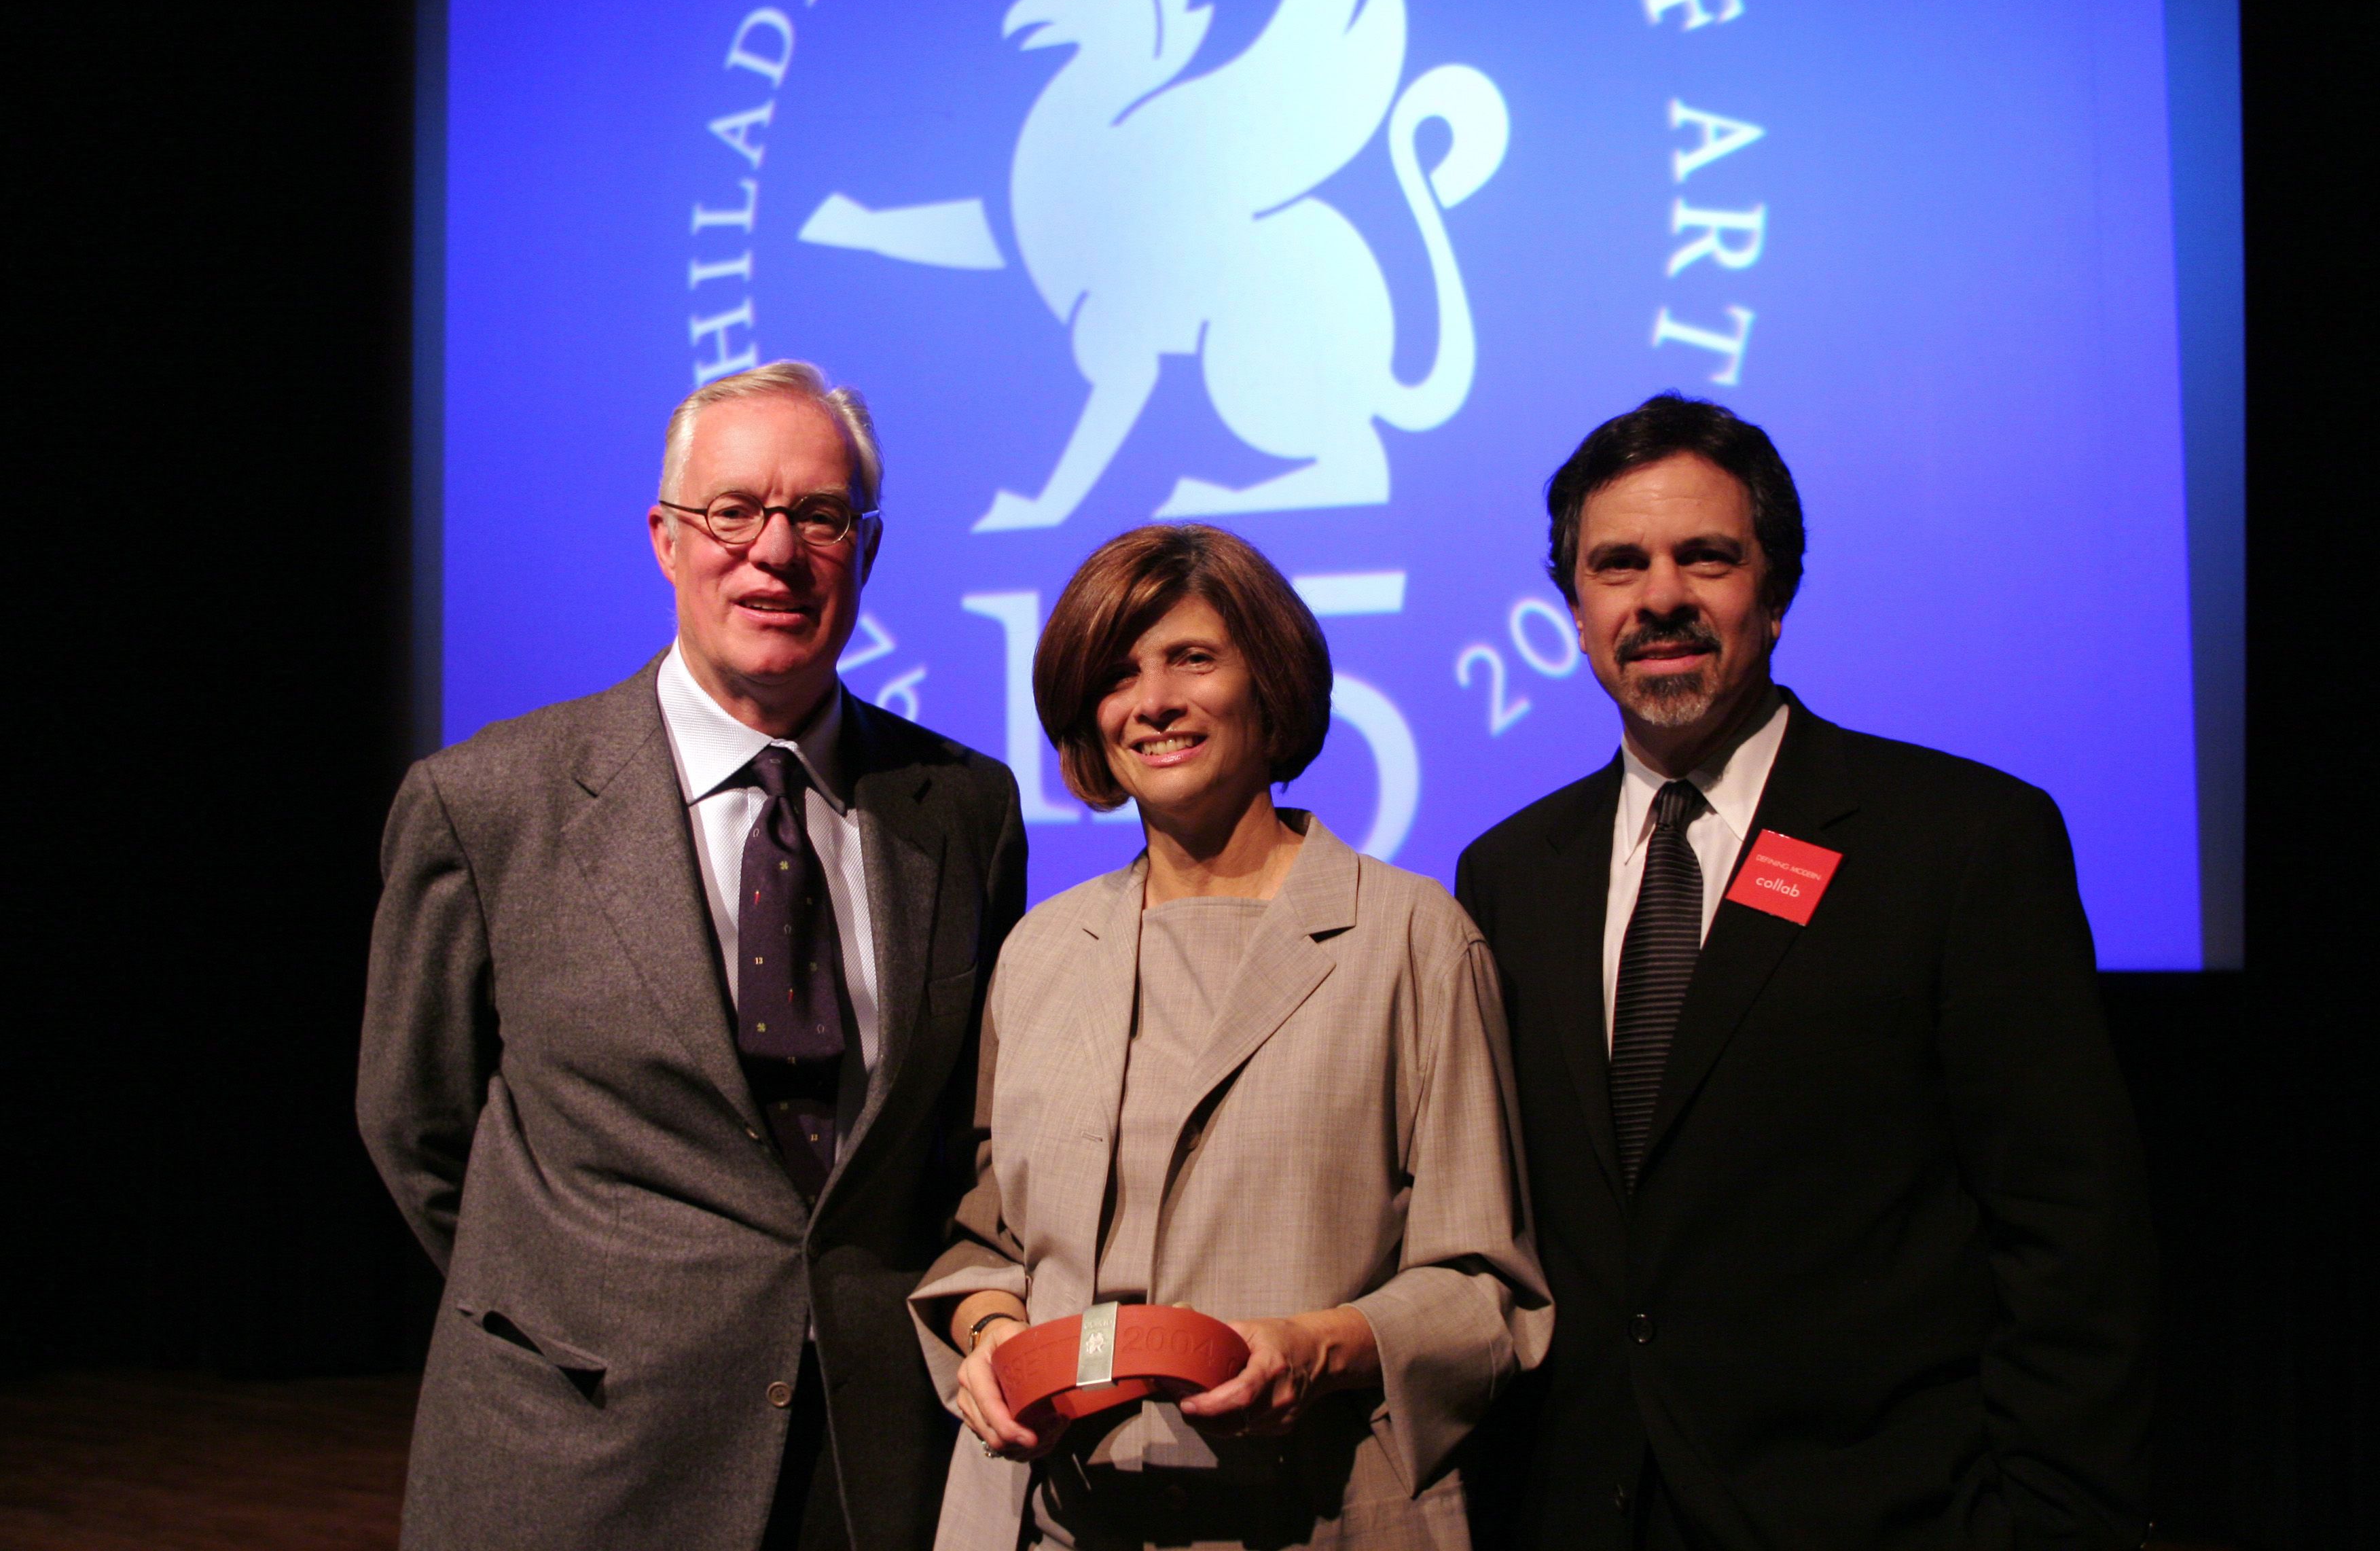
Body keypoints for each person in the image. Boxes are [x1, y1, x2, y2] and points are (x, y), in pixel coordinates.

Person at [1454, 393, 2156, 1549]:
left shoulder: (1961, 841)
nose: (1660, 597)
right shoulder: (1508, 873)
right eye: (1619, 564)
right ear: (1576, 613)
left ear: (1775, 595)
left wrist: (2049, 1521)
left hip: (1882, 1517)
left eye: (1706, 557)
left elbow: (2073, 1234)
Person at [359, 361, 1026, 1551]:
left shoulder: (964, 809)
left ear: (868, 550)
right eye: (734, 511)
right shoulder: (490, 803)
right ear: (666, 541)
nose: (776, 552)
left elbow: (962, 1128)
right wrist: (577, 1300)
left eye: (820, 516)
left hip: (870, 1453)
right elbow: (417, 1125)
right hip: (580, 1443)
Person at [907, 523, 1550, 1549]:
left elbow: (1487, 1293)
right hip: (1049, 1519)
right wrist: (990, 1339)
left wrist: (1320, 1348)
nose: (1154, 701)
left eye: (1192, 659)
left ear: (1272, 682)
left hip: (1311, 1514)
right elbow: (989, 1244)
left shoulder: (1412, 938)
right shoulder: (1040, 952)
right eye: (1118, 675)